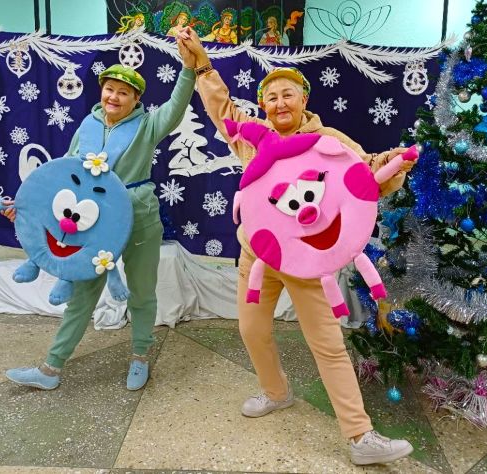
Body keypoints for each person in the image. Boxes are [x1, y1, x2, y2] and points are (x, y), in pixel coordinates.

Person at [177, 29, 416, 466]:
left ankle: (360, 435)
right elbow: (222, 109)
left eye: (288, 94)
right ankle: (276, 392)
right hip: (258, 258)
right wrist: (203, 66)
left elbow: (366, 172)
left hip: (309, 265)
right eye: (271, 97)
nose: (280, 103)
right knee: (252, 330)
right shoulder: (252, 137)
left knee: (327, 344)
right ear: (263, 105)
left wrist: (390, 163)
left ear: (304, 99)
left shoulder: (330, 141)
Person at [1, 27, 197, 392]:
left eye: (123, 92)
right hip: (92, 225)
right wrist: (27, 208)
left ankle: (140, 356)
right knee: (82, 295)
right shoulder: (87, 125)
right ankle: (51, 368)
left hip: (139, 219)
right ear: (101, 91)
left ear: (136, 99)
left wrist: (188, 68)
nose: (114, 96)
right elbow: (62, 176)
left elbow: (176, 107)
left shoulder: (147, 126)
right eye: (109, 89)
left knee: (142, 292)